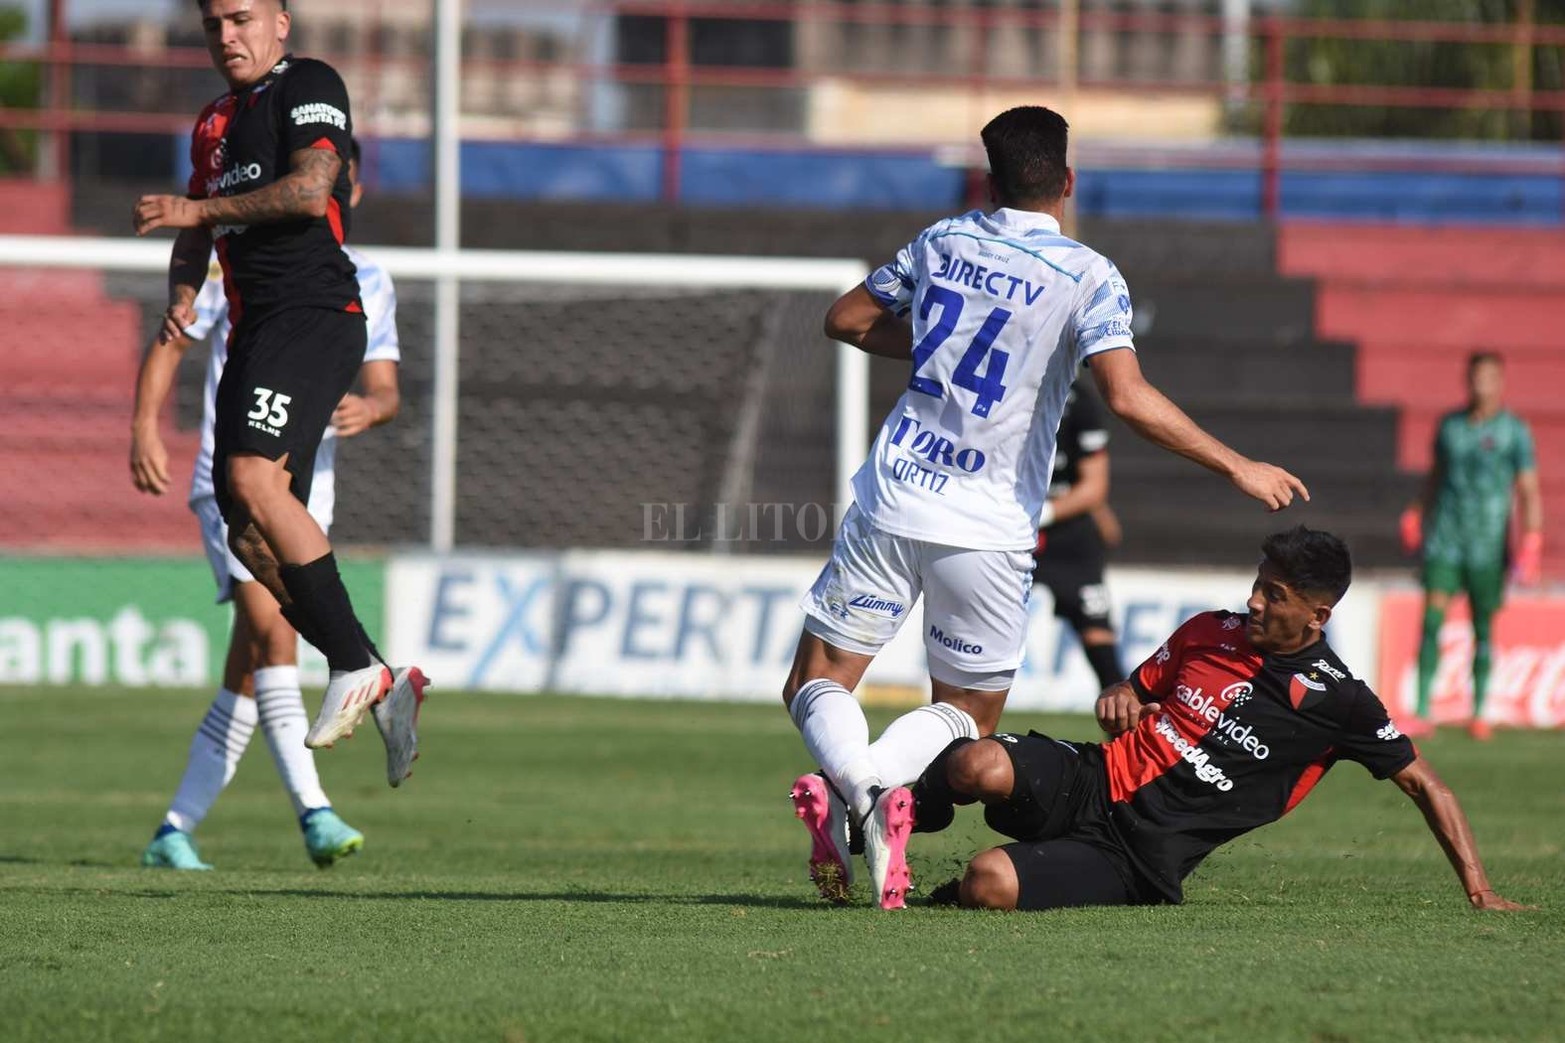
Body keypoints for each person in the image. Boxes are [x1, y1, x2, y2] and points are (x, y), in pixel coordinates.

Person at [785, 105, 1309, 910]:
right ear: (1066, 181)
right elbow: (1126, 398)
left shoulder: (942, 240)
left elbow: (847, 319)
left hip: (893, 496)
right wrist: (1235, 464)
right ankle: (875, 786)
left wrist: (936, 345)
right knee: (964, 715)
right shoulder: (1088, 275)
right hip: (988, 526)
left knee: (817, 679)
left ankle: (851, 781)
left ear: (989, 180)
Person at [906, 526, 1528, 913]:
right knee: (975, 762)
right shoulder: (1210, 631)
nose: (1255, 600)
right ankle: (893, 820)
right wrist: (1118, 696)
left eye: (1274, 595)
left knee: (987, 881)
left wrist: (1479, 890)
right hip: (1091, 779)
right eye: (1259, 584)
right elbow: (1131, 693)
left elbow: (1427, 786)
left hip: (1138, 857)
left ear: (1318, 616)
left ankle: (943, 893)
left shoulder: (1342, 703)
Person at [132, 0, 424, 772]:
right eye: (213, 26)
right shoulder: (212, 123)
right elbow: (196, 232)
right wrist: (184, 293)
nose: (228, 37)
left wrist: (196, 209)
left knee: (252, 479)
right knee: (245, 527)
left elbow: (307, 188)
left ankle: (357, 667)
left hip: (314, 311)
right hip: (255, 327)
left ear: (281, 22)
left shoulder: (309, 84)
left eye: (241, 19)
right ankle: (374, 669)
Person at [1399, 352, 1543, 741]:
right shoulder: (1450, 427)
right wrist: (1416, 511)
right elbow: (1436, 475)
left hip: (1488, 544)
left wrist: (1532, 537)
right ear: (1468, 381)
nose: (1482, 385)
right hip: (1446, 539)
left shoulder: (1515, 432)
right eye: (1476, 378)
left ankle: (1480, 712)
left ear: (1501, 382)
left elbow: (1528, 488)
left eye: (1490, 378)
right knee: (1431, 620)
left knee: (1483, 626)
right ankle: (1423, 710)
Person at [1033, 378, 1125, 691]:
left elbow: (1094, 485)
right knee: (980, 633)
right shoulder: (997, 385)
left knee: (1096, 629)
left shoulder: (1078, 399)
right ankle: (966, 730)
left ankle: (1127, 732)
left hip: (1067, 533)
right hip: (1004, 529)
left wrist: (1044, 513)